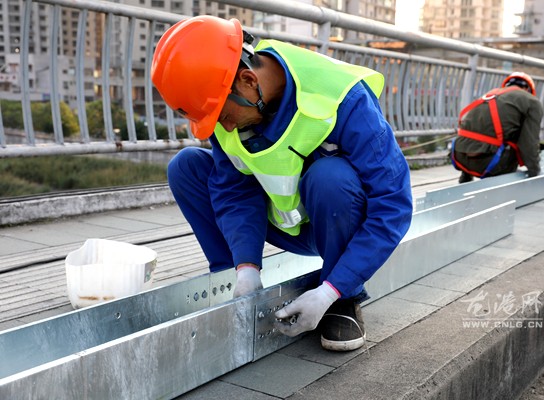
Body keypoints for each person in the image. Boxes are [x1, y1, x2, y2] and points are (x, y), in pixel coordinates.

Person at [151, 16, 413, 352]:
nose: (224, 128)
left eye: (223, 117)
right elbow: (235, 190)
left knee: (330, 177)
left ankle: (343, 303)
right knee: (186, 167)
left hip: (333, 223)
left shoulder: (342, 98)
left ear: (248, 80)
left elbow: (393, 206)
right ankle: (229, 282)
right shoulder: (226, 98)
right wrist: (246, 266)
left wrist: (330, 290)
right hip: (280, 220)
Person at [450, 72, 543, 183]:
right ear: (528, 89)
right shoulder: (532, 102)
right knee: (517, 138)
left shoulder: (490, 95)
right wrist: (535, 171)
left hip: (459, 157)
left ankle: (466, 176)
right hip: (489, 163)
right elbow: (529, 143)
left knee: (478, 132)